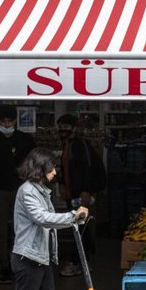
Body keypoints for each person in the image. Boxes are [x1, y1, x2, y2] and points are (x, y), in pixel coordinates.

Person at [11, 148, 89, 290]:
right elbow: (42, 218)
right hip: (28, 259)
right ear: (40, 168)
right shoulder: (27, 191)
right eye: (52, 167)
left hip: (41, 258)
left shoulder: (40, 189)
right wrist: (73, 216)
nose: (55, 172)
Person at [0, 106, 35, 284]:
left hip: (22, 191)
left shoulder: (25, 140)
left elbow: (34, 164)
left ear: (15, 121)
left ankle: (22, 264)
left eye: (9, 121)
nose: (6, 124)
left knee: (22, 229)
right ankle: (5, 266)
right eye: (3, 121)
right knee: (1, 230)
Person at [55, 113, 105, 277]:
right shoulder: (67, 145)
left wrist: (86, 191)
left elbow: (88, 169)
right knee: (79, 227)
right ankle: (83, 262)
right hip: (73, 195)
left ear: (75, 128)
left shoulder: (79, 145)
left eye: (66, 127)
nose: (63, 130)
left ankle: (78, 263)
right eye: (60, 127)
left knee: (79, 229)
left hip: (81, 195)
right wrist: (62, 184)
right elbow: (66, 169)